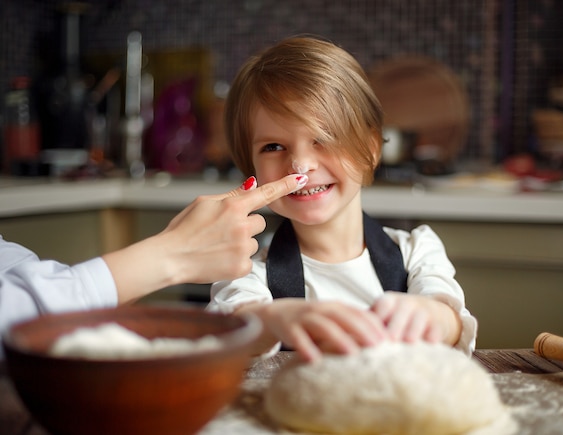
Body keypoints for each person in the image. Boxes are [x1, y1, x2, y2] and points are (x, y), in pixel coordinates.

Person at [208, 35, 478, 362]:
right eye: (273, 147)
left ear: (371, 148)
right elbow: (233, 326)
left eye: (323, 138)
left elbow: (451, 320)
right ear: (250, 167)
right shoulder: (246, 269)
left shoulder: (417, 253)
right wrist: (276, 319)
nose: (300, 164)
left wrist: (431, 316)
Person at [0, 173, 308, 355]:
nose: (301, 165)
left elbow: (21, 280)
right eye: (273, 146)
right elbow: (22, 331)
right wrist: (171, 254)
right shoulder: (252, 274)